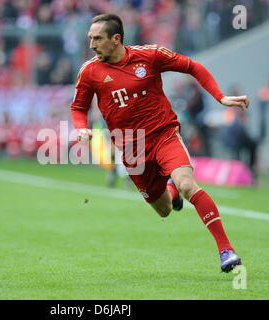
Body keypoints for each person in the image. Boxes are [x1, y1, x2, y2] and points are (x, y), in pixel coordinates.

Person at [70, 14, 249, 273]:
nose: (92, 45)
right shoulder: (89, 72)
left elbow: (192, 67)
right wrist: (81, 128)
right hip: (132, 150)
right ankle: (170, 190)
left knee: (187, 184)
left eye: (97, 38)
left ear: (116, 39)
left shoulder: (150, 55)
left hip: (163, 134)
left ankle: (226, 250)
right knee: (164, 209)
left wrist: (220, 97)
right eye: (90, 39)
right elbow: (78, 107)